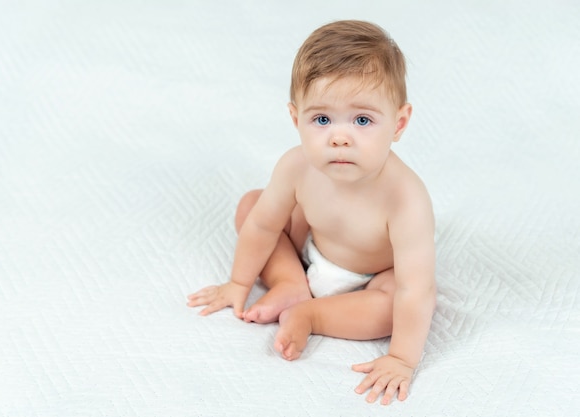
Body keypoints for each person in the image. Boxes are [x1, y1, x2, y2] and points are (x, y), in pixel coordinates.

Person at [187, 20, 436, 405]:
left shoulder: (406, 198)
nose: (340, 137)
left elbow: (414, 288)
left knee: (393, 306)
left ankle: (311, 314)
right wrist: (238, 283)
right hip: (313, 244)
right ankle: (290, 281)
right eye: (322, 119)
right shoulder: (296, 166)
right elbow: (263, 225)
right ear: (295, 118)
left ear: (399, 123)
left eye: (363, 120)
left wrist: (402, 358)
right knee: (252, 206)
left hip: (373, 276)